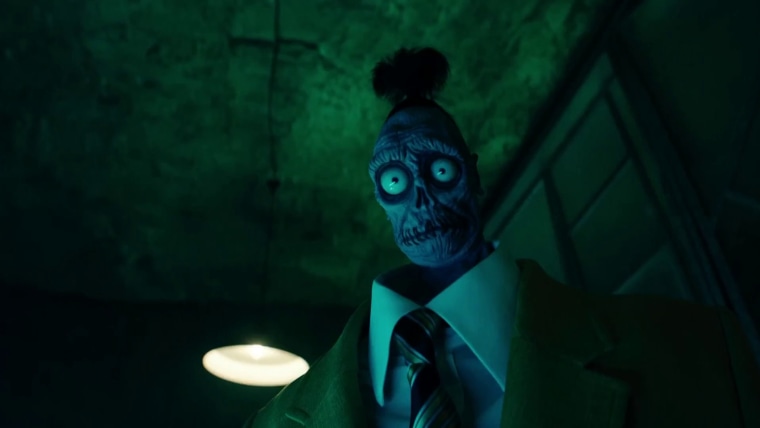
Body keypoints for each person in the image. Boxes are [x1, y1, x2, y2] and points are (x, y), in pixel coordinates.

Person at [245, 47, 760, 428]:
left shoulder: (697, 358)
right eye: (396, 180)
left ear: (472, 174)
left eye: (440, 170)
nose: (422, 198)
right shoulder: (271, 422)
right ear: (380, 197)